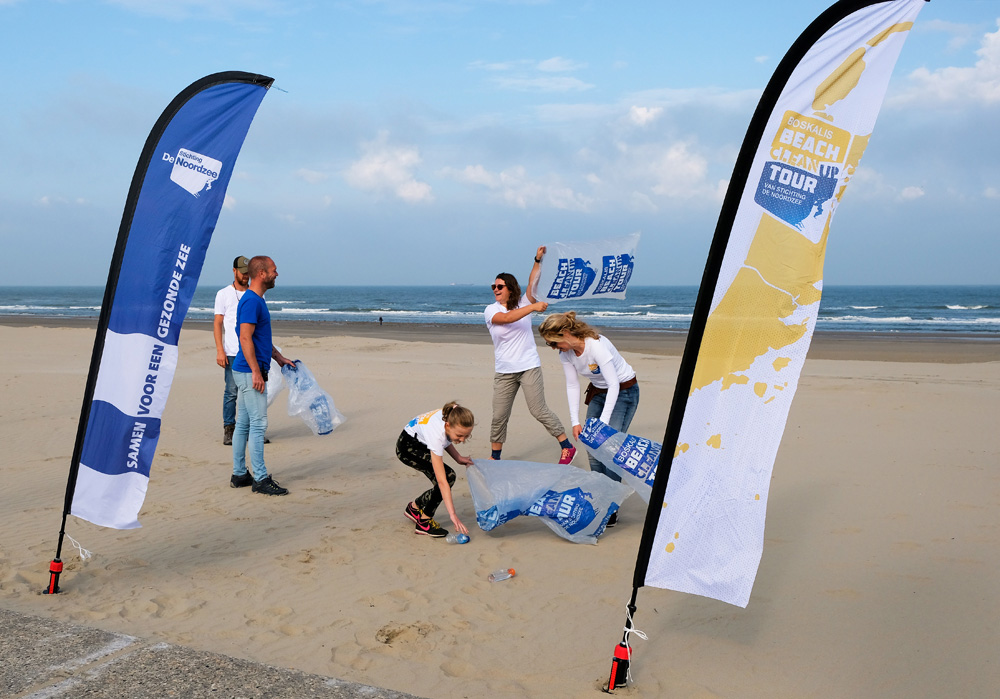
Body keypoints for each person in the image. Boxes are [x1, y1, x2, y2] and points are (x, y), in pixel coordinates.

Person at [538, 311, 639, 526]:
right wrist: (575, 421)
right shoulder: (566, 354)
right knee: (592, 449)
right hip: (598, 393)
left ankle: (612, 508)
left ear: (565, 333)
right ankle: (602, 499)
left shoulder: (596, 346)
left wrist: (602, 423)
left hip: (624, 392)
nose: (554, 348)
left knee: (610, 450)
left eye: (554, 343)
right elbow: (572, 385)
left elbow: (614, 384)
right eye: (550, 345)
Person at [485, 246, 575, 464]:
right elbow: (507, 319)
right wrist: (533, 307)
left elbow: (533, 280)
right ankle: (495, 458)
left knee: (538, 410)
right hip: (505, 371)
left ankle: (567, 446)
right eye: (493, 286)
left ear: (510, 288)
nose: (495, 289)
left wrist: (537, 259)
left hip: (528, 367)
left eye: (500, 286)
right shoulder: (491, 310)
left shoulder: (523, 303)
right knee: (499, 416)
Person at [231, 256, 297, 495]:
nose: (276, 274)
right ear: (261, 273)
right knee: (258, 425)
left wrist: (279, 358)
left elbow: (260, 340)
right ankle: (259, 479)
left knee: (244, 424)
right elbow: (245, 338)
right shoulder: (251, 302)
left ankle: (239, 474)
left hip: (247, 370)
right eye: (274, 270)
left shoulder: (256, 300)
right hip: (250, 372)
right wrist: (257, 372)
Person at [396, 402, 475, 538]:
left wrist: (458, 458)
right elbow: (442, 481)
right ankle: (424, 523)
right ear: (448, 425)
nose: (462, 440)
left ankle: (414, 508)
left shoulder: (454, 412)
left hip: (419, 440)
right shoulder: (437, 435)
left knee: (447, 477)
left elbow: (448, 438)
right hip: (408, 448)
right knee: (448, 477)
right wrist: (453, 515)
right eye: (460, 436)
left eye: (466, 436)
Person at [214, 256, 250, 446]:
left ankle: (249, 429)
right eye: (243, 273)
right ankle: (229, 429)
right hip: (232, 351)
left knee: (251, 392)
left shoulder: (256, 293)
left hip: (251, 351)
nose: (246, 276)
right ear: (234, 271)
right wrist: (220, 350)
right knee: (231, 392)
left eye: (248, 273)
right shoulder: (223, 294)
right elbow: (218, 323)